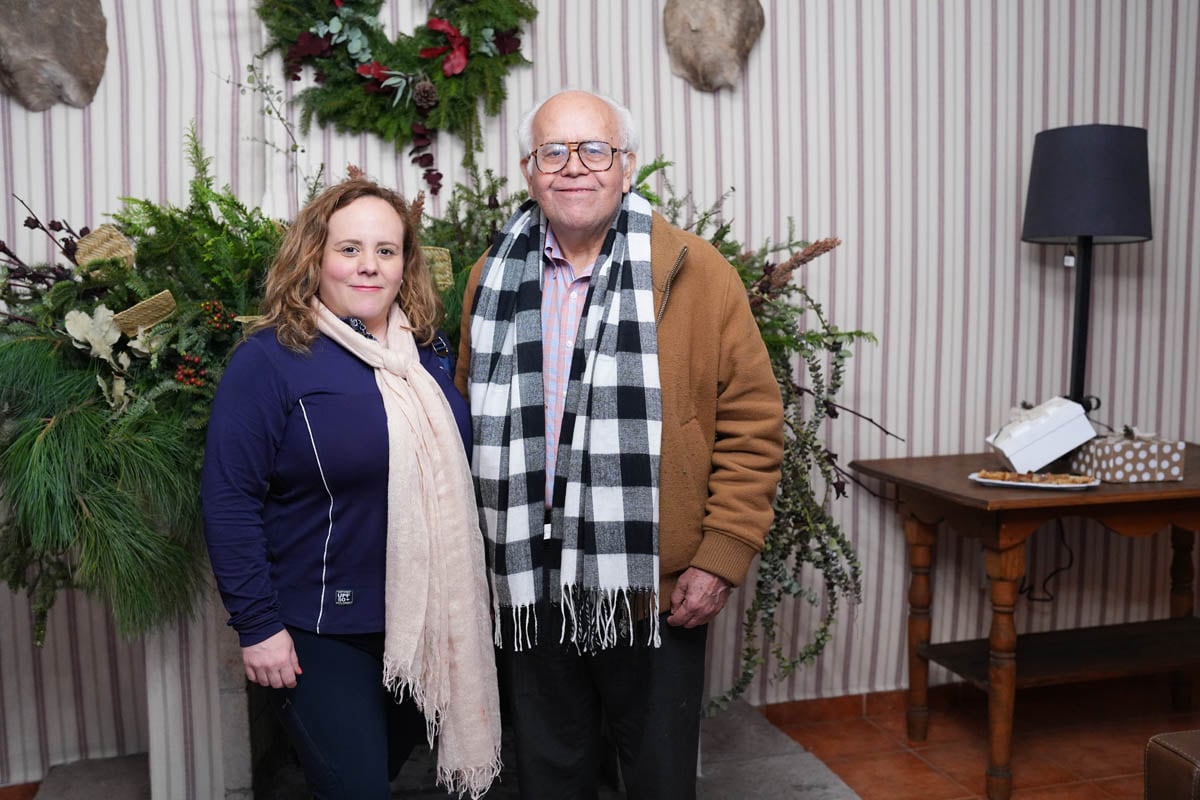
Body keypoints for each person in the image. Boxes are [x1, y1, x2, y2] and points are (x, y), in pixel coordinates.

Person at [454, 90, 785, 799]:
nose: (574, 167)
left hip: (651, 585)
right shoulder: (490, 277)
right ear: (529, 170)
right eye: (554, 151)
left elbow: (753, 421)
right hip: (526, 581)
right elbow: (465, 417)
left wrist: (723, 553)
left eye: (594, 149)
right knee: (549, 775)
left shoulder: (697, 271)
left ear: (627, 167)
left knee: (660, 778)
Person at [201, 178, 501, 800]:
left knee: (378, 773)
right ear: (314, 257)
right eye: (350, 249)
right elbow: (230, 499)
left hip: (422, 623)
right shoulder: (271, 359)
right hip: (319, 629)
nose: (369, 265)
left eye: (386, 251)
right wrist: (257, 625)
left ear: (405, 265)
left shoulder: (428, 357)